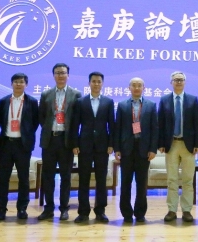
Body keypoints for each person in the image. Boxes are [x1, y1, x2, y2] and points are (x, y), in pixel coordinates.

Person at [38, 63, 81, 221]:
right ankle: (48, 208)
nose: (60, 75)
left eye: (63, 73)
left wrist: (75, 142)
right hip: (49, 140)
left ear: (68, 75)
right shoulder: (46, 94)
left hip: (66, 141)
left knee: (65, 176)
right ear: (53, 75)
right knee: (48, 176)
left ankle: (64, 208)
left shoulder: (76, 94)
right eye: (57, 73)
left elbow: (77, 120)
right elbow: (41, 116)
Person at [70, 71, 115, 223]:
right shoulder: (80, 102)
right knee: (84, 179)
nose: (96, 84)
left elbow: (112, 124)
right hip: (84, 145)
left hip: (103, 146)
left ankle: (100, 211)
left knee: (101, 179)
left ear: (102, 84)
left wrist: (111, 144)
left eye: (99, 81)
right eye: (93, 81)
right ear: (89, 83)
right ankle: (83, 212)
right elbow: (75, 125)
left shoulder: (108, 102)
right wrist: (75, 144)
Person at [158, 71, 198, 223]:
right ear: (171, 82)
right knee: (172, 179)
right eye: (176, 80)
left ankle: (187, 210)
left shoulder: (192, 100)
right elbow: (160, 123)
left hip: (188, 145)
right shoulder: (164, 100)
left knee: (188, 180)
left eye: (181, 80)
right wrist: (160, 143)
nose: (178, 82)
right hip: (171, 145)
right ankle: (171, 210)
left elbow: (197, 123)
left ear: (185, 82)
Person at [0, 73, 39, 221]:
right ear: (11, 84)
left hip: (23, 145)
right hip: (6, 144)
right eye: (16, 82)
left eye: (21, 82)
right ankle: (2, 208)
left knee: (23, 178)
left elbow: (35, 122)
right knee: (3, 178)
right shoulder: (4, 101)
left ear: (26, 84)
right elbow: (0, 121)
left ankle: (22, 208)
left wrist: (26, 135)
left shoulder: (32, 102)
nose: (18, 84)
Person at [114, 77, 158, 223]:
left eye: (139, 85)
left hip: (144, 150)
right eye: (134, 85)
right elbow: (118, 128)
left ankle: (140, 213)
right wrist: (117, 148)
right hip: (126, 149)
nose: (137, 88)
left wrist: (153, 149)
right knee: (125, 183)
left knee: (142, 184)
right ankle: (126, 213)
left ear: (144, 88)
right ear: (129, 88)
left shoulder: (151, 105)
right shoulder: (122, 105)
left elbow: (154, 128)